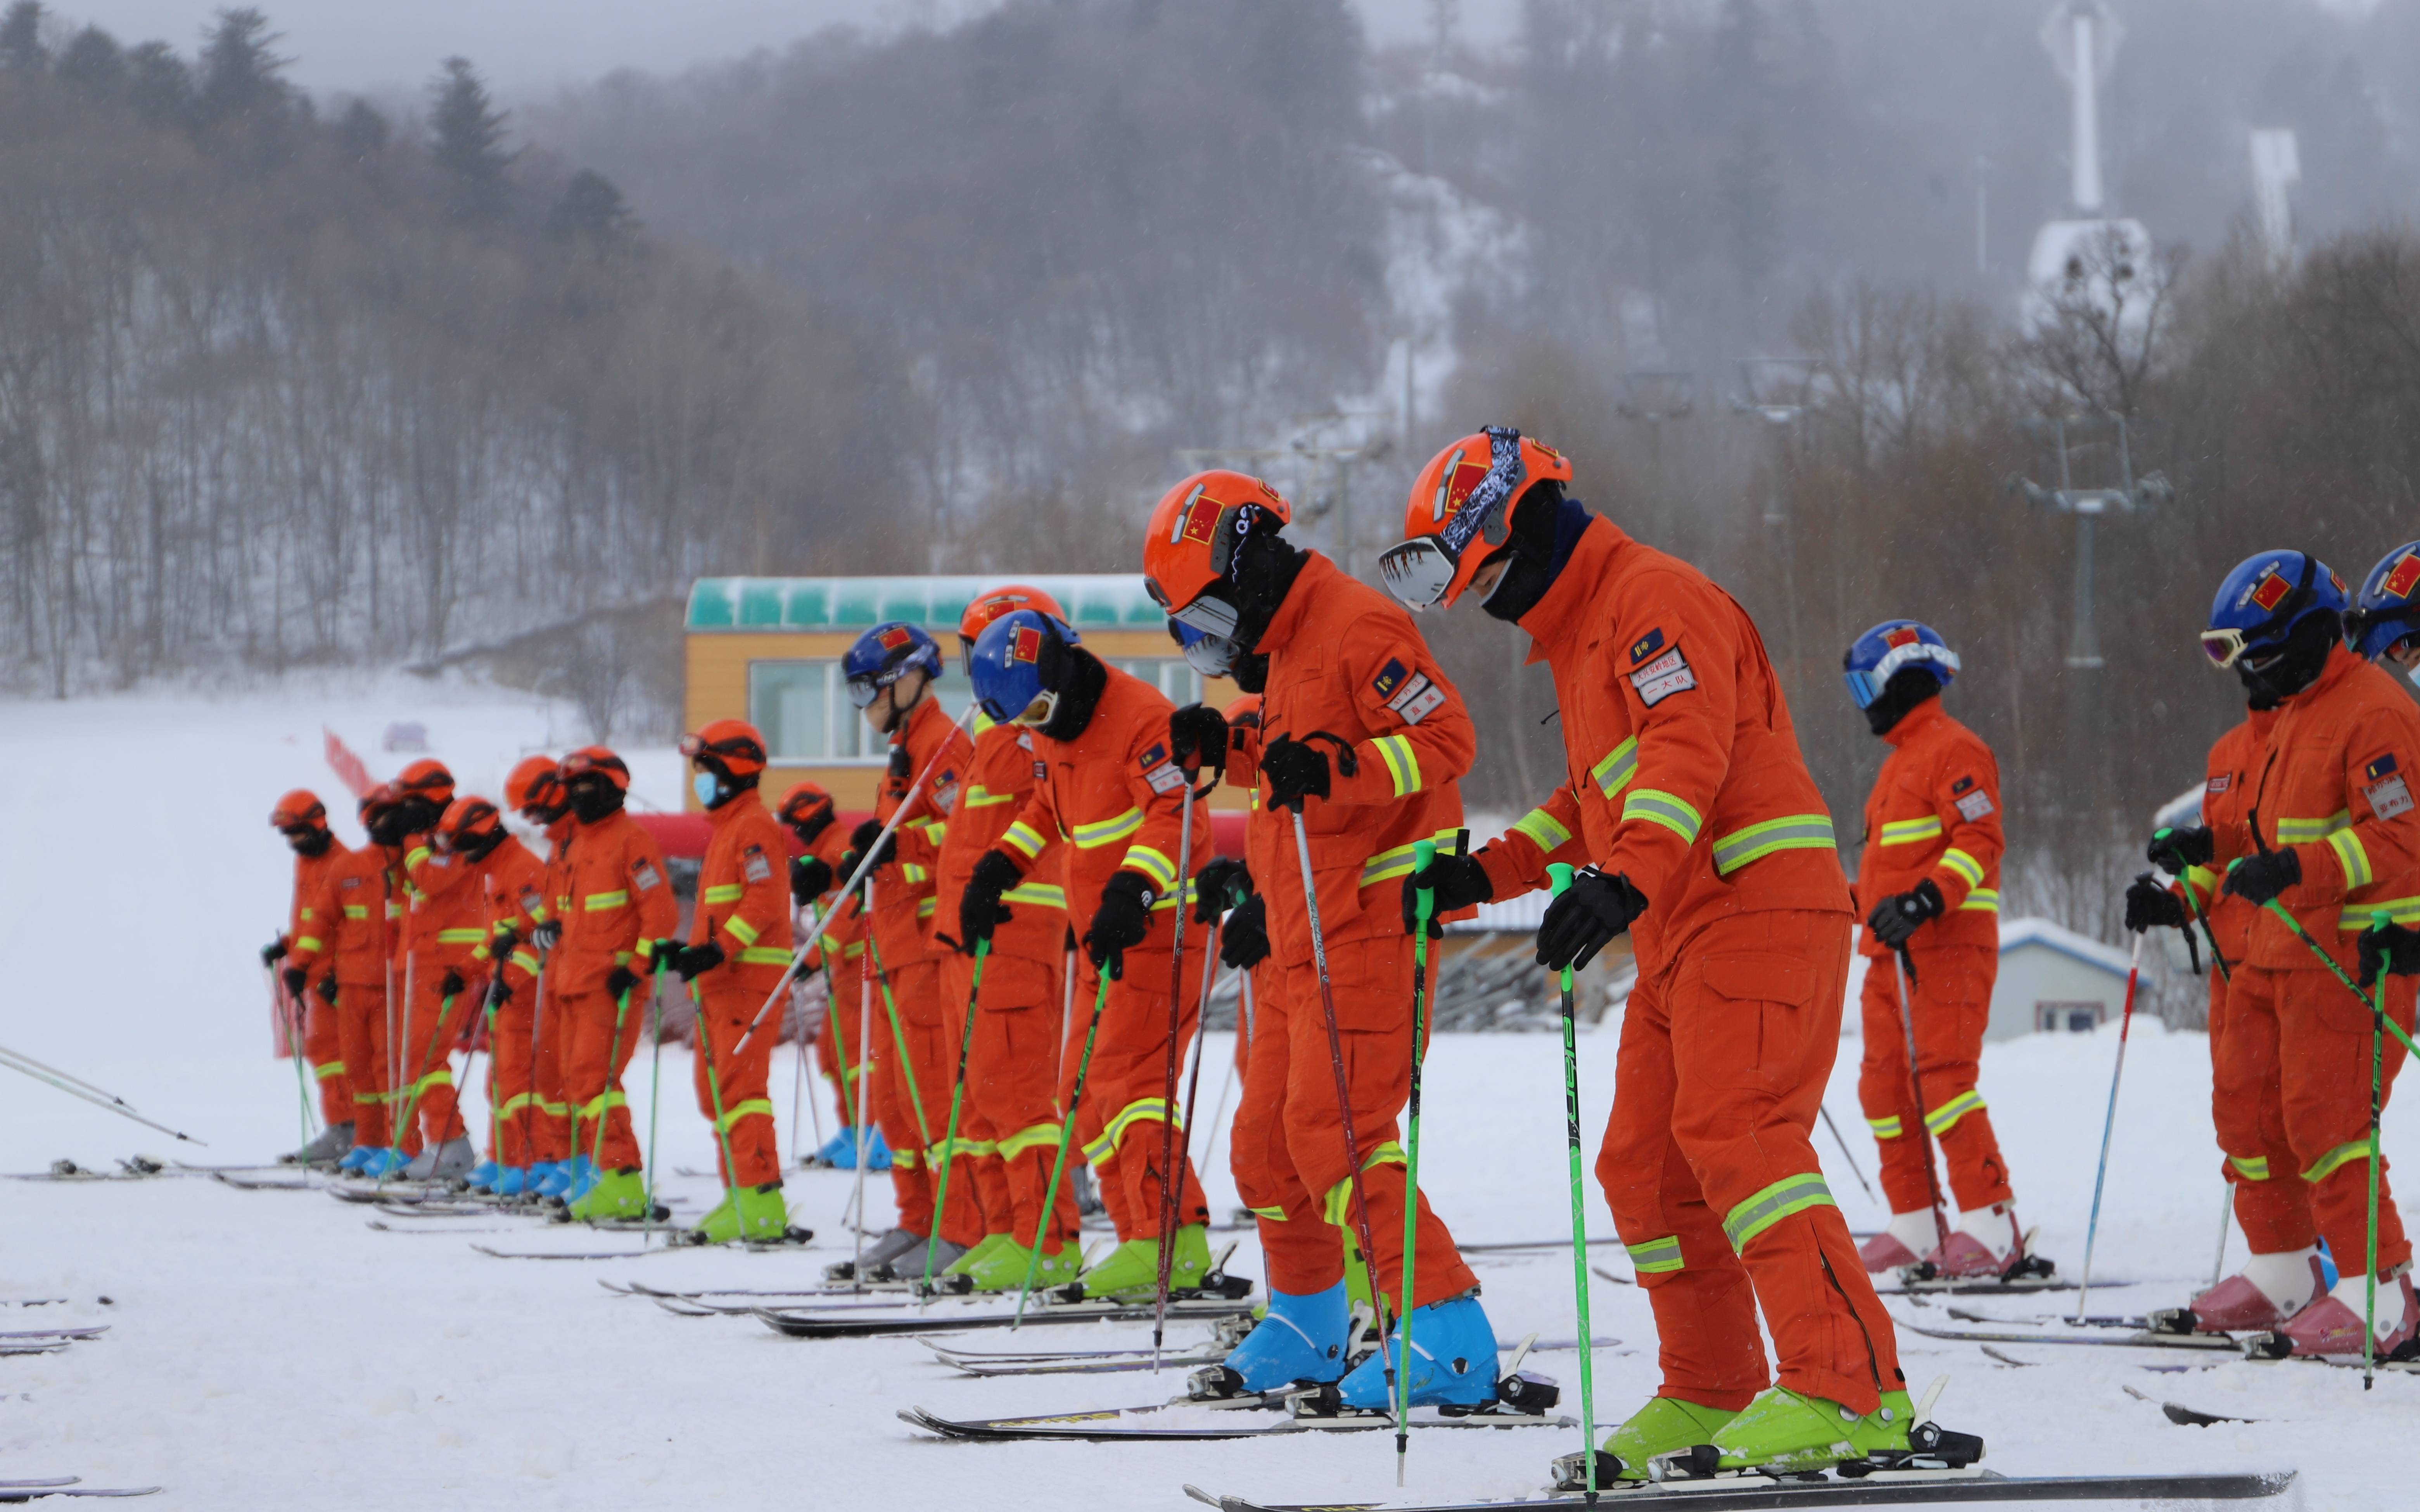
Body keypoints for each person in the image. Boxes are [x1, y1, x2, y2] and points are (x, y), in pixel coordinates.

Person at [1380, 426, 1910, 1477]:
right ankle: (1711, 1385)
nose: (1477, 599)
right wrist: (1487, 873)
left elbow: (1684, 746)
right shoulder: (1583, 638)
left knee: (1743, 1136)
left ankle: (1850, 1388)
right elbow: (1594, 797)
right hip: (1683, 925)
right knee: (1645, 1163)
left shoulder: (1650, 595)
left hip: (1754, 906)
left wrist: (1624, 878)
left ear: (1512, 527)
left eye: (1472, 571)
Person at [1143, 470, 1496, 1410]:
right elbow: (1297, 756)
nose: (1214, 646)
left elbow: (1446, 740)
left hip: (1372, 923)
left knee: (1337, 1134)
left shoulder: (1357, 625)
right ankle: (1308, 1323)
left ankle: (1448, 1333)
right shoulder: (1295, 647)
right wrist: (1231, 745)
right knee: (1264, 1144)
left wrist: (1334, 766)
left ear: (1247, 564)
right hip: (1301, 930)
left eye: (1209, 619)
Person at [2162, 550, 2420, 1356]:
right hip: (2273, 956)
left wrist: (2297, 867)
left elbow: (2399, 833)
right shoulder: (2295, 714)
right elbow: (2271, 832)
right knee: (2252, 1116)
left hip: (2348, 954)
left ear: (2311, 635)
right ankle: (2282, 1271)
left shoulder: (2373, 710)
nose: (2253, 677)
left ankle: (2383, 1295)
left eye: (2262, 655)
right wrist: (2210, 848)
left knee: (2329, 1123)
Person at [958, 607, 1214, 1299]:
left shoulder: (1141, 719)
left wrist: (1132, 889)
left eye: (1041, 708)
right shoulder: (1049, 731)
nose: (1038, 726)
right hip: (1104, 940)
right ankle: (1138, 1234)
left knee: (1131, 1081)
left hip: (1158, 925)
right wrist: (999, 866)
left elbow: (1176, 815)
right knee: (1082, 1087)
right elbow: (1047, 806)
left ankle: (1173, 1241)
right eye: (1026, 721)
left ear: (1063, 667)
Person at [1839, 621, 2037, 1281]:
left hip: (1945, 948)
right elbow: (1884, 877)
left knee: (1945, 1082)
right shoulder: (1898, 763)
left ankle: (1989, 1224)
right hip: (1887, 955)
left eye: (1867, 685)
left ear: (1901, 679)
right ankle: (1917, 1223)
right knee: (1884, 1089)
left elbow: (1981, 839)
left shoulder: (1956, 749)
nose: (1863, 701)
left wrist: (1926, 900)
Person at [913, 586, 1076, 1291]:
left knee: (1017, 1094)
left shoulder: (1028, 737)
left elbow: (1036, 806)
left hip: (1014, 933)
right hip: (967, 939)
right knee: (978, 1097)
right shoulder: (992, 742)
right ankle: (1006, 1230)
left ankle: (1047, 1238)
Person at [829, 621, 978, 1279]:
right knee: (895, 1100)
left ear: (907, 679)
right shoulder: (906, 753)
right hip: (891, 951)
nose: (862, 705)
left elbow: (961, 844)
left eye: (868, 689)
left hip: (924, 948)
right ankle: (919, 1217)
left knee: (935, 1097)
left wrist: (896, 853)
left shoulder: (943, 749)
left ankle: (962, 1224)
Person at [659, 720, 798, 1243]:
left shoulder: (754, 826)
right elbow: (721, 912)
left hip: (748, 982)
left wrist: (718, 950)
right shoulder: (727, 830)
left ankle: (761, 1201)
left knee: (742, 1091)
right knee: (717, 1092)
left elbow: (763, 901)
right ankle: (739, 1195)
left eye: (707, 769)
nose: (701, 780)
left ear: (733, 770)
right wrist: (694, 952)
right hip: (722, 983)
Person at [551, 746, 679, 1220]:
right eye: (573, 788)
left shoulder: (632, 840)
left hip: (611, 985)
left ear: (614, 788)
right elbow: (576, 915)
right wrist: (549, 927)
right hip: (572, 982)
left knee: (595, 1080)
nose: (580, 796)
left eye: (589, 786)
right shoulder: (576, 844)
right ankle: (607, 1178)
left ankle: (622, 1180)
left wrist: (637, 967)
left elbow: (660, 912)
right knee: (577, 1083)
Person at [289, 785, 408, 1177]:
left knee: (385, 1066)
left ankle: (399, 1143)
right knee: (355, 1067)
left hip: (387, 984)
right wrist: (297, 960)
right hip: (351, 983)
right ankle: (365, 1140)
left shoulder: (411, 865)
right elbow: (320, 920)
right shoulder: (348, 866)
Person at [431, 794, 544, 1195]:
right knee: (500, 1082)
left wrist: (511, 981)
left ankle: (528, 1162)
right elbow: (496, 939)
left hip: (527, 996)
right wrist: (465, 972)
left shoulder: (524, 871)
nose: (462, 856)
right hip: (507, 994)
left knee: (519, 1082)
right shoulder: (497, 872)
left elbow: (540, 939)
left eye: (464, 846)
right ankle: (504, 1158)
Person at [780, 781, 885, 1170]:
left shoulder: (839, 846)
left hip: (863, 966)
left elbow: (849, 908)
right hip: (844, 972)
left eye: (796, 823)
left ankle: (877, 1135)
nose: (795, 831)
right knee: (834, 1055)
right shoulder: (822, 850)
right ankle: (853, 1131)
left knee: (860, 1058)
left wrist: (816, 955)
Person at [391, 760, 485, 1181]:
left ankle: (453, 1146)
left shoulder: (457, 833)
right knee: (418, 1056)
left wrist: (411, 840)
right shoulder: (432, 836)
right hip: (425, 959)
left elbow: (429, 880)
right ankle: (442, 1143)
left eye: (412, 803)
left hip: (449, 964)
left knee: (427, 1056)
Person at [265, 790, 355, 1165]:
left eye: (296, 832)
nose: (292, 842)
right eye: (287, 835)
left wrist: (337, 973)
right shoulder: (306, 863)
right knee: (322, 1052)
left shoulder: (345, 865)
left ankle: (351, 1130)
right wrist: (288, 945)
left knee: (341, 1055)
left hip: (337, 979)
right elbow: (311, 919)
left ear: (316, 824)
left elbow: (353, 926)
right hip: (312, 975)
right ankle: (342, 1128)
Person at [503, 756, 580, 1199]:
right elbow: (550, 913)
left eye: (534, 810)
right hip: (562, 976)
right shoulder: (559, 848)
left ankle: (587, 1165)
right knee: (554, 1078)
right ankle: (566, 1161)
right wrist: (526, 931)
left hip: (579, 978)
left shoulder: (574, 845)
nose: (532, 821)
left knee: (578, 1079)